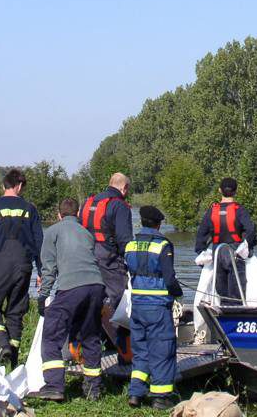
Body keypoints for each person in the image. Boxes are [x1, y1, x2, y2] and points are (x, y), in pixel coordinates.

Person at [33, 197, 106, 403]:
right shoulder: (87, 233)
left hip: (72, 286)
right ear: (78, 213)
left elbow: (48, 269)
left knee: (51, 334)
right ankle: (93, 389)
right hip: (97, 286)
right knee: (90, 335)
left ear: (59, 214)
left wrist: (43, 296)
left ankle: (54, 386)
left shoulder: (52, 232)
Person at [0, 168, 43, 369]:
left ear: (5, 184)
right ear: (19, 185)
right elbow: (39, 243)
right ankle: (11, 361)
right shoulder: (30, 209)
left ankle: (2, 345)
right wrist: (41, 271)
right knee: (15, 313)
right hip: (23, 266)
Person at [125, 205, 182, 410]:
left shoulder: (130, 244)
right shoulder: (162, 245)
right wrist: (178, 294)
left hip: (137, 304)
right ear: (158, 224)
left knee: (140, 350)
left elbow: (127, 272)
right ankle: (160, 397)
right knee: (162, 350)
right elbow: (169, 278)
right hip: (157, 305)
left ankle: (136, 393)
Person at [79, 173, 133, 334]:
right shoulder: (119, 205)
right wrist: (131, 261)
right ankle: (122, 345)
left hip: (86, 255)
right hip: (109, 258)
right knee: (119, 299)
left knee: (92, 297)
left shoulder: (88, 202)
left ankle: (92, 339)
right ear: (124, 188)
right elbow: (124, 239)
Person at [194, 177, 257, 306]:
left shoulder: (212, 211)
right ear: (236, 191)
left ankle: (222, 317)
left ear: (219, 190)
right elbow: (251, 231)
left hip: (218, 254)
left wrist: (201, 253)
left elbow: (201, 235)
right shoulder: (239, 210)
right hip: (235, 254)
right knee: (237, 293)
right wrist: (247, 248)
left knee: (221, 292)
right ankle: (236, 316)